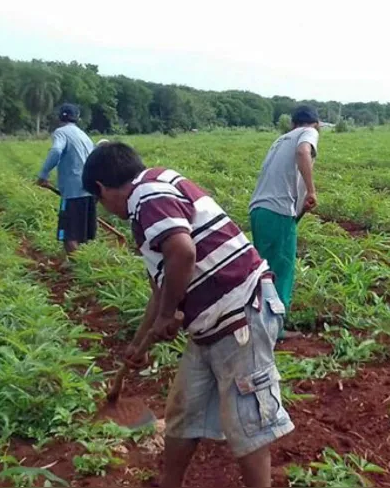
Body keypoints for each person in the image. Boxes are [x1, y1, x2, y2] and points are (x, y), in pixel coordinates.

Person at [82, 142, 293, 488]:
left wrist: (168, 314)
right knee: (184, 411)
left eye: (100, 202)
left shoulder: (146, 195)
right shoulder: (151, 196)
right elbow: (161, 290)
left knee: (248, 422)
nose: (105, 209)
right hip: (210, 325)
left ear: (102, 189)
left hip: (240, 312)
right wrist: (140, 344)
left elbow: (183, 251)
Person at [248, 105, 321, 340]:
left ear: (292, 123)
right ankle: (274, 329)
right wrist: (312, 190)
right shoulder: (307, 134)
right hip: (276, 212)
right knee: (281, 271)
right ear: (316, 124)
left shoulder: (280, 140)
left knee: (264, 270)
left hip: (259, 211)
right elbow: (303, 153)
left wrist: (299, 213)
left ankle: (257, 322)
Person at [37, 103, 96, 255]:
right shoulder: (84, 135)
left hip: (73, 191)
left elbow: (56, 150)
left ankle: (77, 271)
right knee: (81, 234)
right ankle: (82, 267)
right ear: (77, 118)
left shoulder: (61, 132)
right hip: (89, 189)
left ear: (59, 117)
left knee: (68, 235)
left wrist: (43, 175)